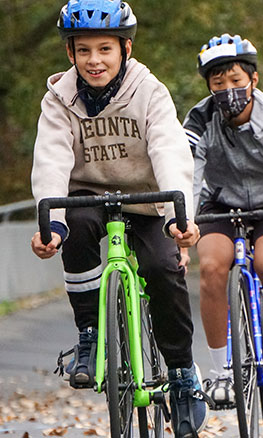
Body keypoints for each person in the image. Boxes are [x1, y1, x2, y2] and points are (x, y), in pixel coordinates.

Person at [29, 1, 208, 436]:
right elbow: (52, 158)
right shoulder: (59, 99)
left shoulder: (150, 91)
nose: (95, 60)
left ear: (125, 48)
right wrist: (50, 222)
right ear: (70, 53)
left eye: (105, 49)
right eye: (84, 50)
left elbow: (168, 149)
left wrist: (175, 213)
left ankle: (182, 373)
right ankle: (89, 334)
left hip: (148, 200)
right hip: (88, 196)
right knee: (77, 230)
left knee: (163, 268)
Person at [183, 33, 263, 407]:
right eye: (218, 83)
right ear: (208, 85)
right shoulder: (199, 117)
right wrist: (184, 226)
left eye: (236, 81)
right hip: (220, 204)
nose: (227, 90)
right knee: (210, 268)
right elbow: (187, 174)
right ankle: (220, 370)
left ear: (253, 80)